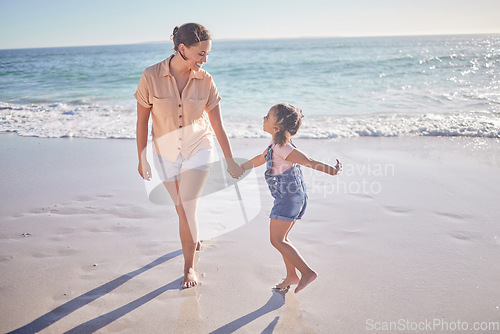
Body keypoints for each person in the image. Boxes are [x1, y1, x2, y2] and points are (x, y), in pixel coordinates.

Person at [135, 23, 244, 289]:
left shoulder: (206, 80)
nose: (205, 59)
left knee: (187, 206)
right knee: (181, 210)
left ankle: (189, 268)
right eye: (201, 53)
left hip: (199, 148)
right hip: (165, 151)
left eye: (207, 53)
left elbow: (217, 124)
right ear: (182, 49)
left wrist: (229, 159)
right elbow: (141, 122)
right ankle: (193, 238)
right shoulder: (150, 76)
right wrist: (142, 158)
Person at [240, 103, 342, 293]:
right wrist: (241, 168)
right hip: (290, 198)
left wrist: (332, 171)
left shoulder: (282, 147)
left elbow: (308, 162)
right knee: (283, 239)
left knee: (276, 240)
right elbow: (260, 159)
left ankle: (306, 272)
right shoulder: (274, 145)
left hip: (288, 199)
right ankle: (291, 276)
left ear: (276, 127)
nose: (263, 118)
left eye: (267, 116)